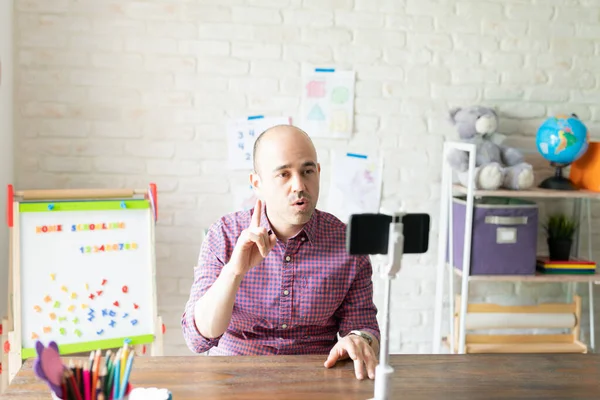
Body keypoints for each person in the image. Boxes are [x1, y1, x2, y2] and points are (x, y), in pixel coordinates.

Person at [181, 124, 380, 380]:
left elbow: (364, 328)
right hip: (232, 380)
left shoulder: (349, 243)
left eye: (307, 171)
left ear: (318, 173)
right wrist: (234, 272)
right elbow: (198, 340)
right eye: (283, 174)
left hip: (316, 381)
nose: (299, 185)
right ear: (257, 183)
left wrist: (358, 340)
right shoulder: (224, 234)